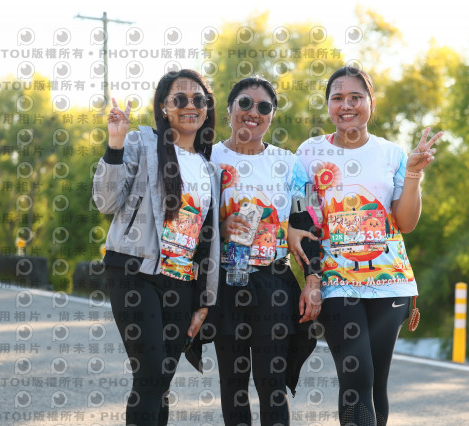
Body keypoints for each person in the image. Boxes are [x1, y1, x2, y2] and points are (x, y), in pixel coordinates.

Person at [289, 66, 443, 426]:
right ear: (329, 105)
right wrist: (312, 278)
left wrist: (414, 173)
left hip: (391, 281)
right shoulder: (309, 153)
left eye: (355, 97)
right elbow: (303, 220)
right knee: (356, 378)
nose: (346, 105)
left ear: (370, 103)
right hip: (336, 281)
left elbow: (405, 223)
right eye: (338, 98)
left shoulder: (392, 154)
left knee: (375, 384)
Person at [92, 69, 221, 425]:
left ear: (207, 107)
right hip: (135, 271)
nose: (190, 105)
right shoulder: (141, 143)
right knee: (150, 376)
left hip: (181, 282)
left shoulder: (210, 170)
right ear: (164, 107)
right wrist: (115, 144)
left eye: (198, 99)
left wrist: (204, 300)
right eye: (179, 99)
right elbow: (105, 201)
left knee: (161, 381)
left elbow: (208, 243)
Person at [210, 76, 317, 426]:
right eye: (244, 103)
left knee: (272, 384)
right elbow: (189, 218)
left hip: (273, 284)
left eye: (264, 107)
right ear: (229, 109)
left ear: (271, 115)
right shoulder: (208, 157)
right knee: (233, 385)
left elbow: (307, 223)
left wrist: (312, 279)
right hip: (225, 282)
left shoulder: (289, 163)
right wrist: (219, 228)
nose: (253, 112)